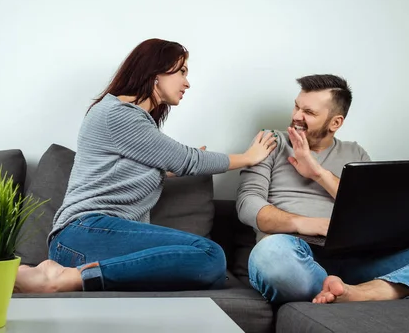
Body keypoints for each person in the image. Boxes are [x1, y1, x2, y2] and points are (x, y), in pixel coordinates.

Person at [14, 38, 277, 293]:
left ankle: (69, 274)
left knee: (211, 266)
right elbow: (189, 160)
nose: (187, 82)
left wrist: (167, 167)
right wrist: (249, 157)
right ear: (155, 72)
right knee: (210, 255)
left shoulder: (125, 117)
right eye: (181, 71)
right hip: (84, 233)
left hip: (86, 238)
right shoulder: (118, 113)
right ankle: (67, 279)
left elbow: (135, 168)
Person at [237, 74, 409, 304]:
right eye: (297, 106)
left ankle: (370, 291)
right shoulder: (270, 142)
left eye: (309, 112)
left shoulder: (355, 153)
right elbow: (248, 206)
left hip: (363, 260)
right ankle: (338, 289)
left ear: (335, 122)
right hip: (297, 253)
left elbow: (372, 211)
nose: (296, 116)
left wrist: (317, 172)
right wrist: (313, 225)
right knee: (269, 256)